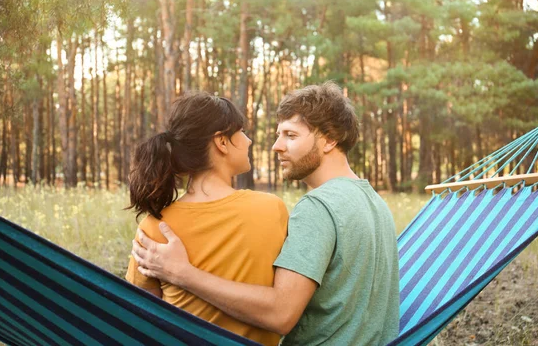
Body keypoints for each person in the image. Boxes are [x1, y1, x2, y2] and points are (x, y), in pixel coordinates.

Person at [132, 82, 401, 345]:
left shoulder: (318, 207)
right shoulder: (375, 202)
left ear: (330, 139)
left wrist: (183, 274)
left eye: (290, 135)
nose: (276, 146)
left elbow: (281, 313)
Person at [125, 91, 288, 346]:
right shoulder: (271, 210)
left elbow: (142, 321)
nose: (249, 141)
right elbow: (283, 307)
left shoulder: (154, 227)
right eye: (241, 132)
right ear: (221, 142)